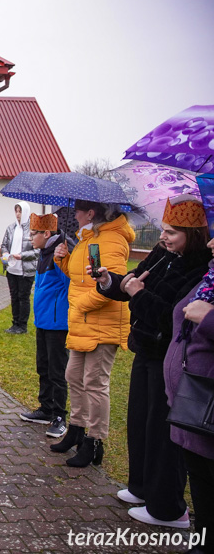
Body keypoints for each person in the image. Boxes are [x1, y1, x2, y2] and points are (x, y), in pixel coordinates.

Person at [94, 197, 210, 528]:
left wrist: (137, 295)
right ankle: (142, 487)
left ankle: (168, 508)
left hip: (169, 357)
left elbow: (171, 316)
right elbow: (131, 281)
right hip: (145, 349)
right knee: (141, 422)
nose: (163, 237)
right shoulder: (162, 255)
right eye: (163, 229)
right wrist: (108, 281)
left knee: (163, 432)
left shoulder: (200, 268)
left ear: (193, 233)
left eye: (172, 232)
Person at [49, 200, 134, 468]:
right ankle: (76, 429)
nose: (73, 215)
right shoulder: (88, 238)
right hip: (83, 322)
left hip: (102, 324)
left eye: (77, 211)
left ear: (91, 212)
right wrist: (61, 258)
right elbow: (81, 278)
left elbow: (113, 286)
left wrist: (80, 305)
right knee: (74, 376)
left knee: (95, 384)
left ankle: (95, 441)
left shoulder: (112, 240)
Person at [164, 235, 214, 551]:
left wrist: (208, 318)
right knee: (200, 478)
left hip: (206, 402)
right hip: (193, 400)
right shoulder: (210, 277)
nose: (211, 243)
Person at [18, 213, 74, 437]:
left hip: (57, 323)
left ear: (47, 233)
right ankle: (46, 408)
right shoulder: (45, 252)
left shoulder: (61, 253)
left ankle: (60, 416)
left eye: (34, 234)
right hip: (43, 321)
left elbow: (70, 284)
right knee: (43, 366)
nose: (31, 238)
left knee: (56, 371)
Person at [0, 201, 36, 333]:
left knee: (23, 297)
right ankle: (15, 323)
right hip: (12, 268)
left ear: (25, 212)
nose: (18, 214)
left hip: (25, 270)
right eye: (16, 211)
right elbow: (4, 244)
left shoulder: (32, 230)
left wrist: (22, 256)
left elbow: (37, 251)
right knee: (14, 296)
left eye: (20, 211)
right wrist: (5, 253)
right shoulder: (11, 228)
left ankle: (22, 325)